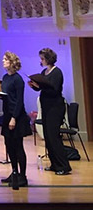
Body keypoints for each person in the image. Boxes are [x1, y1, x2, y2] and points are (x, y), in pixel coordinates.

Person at [30, 47, 71, 175]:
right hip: (47, 107)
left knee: (54, 137)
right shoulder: (44, 72)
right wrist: (34, 86)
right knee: (48, 137)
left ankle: (63, 166)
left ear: (48, 59)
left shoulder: (57, 72)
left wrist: (40, 86)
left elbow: (54, 90)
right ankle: (55, 164)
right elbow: (42, 89)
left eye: (42, 58)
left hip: (55, 108)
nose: (41, 61)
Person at [0, 51, 32, 189]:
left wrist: (14, 118)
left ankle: (22, 176)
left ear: (12, 62)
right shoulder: (5, 77)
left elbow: (19, 101)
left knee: (18, 146)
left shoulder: (18, 79)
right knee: (9, 145)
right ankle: (14, 172)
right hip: (7, 114)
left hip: (17, 116)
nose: (3, 61)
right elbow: (7, 96)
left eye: (5, 59)